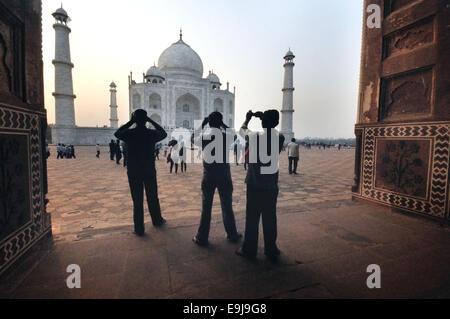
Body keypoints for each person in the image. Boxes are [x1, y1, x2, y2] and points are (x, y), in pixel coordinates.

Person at [236, 110, 285, 261]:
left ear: (263, 123)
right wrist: (265, 118)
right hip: (270, 185)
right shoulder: (280, 138)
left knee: (252, 218)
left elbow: (242, 130)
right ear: (276, 123)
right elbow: (272, 127)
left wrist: (248, 118)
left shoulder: (255, 136)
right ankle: (271, 248)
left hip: (255, 184)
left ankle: (249, 249)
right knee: (270, 217)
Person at [192, 111, 242, 246]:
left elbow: (192, 138)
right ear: (220, 122)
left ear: (209, 123)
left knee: (206, 207)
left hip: (208, 176)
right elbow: (235, 135)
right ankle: (232, 234)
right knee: (227, 206)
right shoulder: (225, 136)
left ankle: (202, 237)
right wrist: (222, 124)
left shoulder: (205, 137)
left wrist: (202, 124)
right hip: (224, 175)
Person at [114, 109, 167, 235]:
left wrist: (131, 122)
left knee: (137, 200)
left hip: (134, 170)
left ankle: (139, 228)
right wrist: (150, 120)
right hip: (149, 169)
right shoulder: (150, 133)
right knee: (152, 197)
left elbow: (117, 133)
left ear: (135, 119)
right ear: (145, 119)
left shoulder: (130, 133)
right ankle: (157, 220)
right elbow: (163, 133)